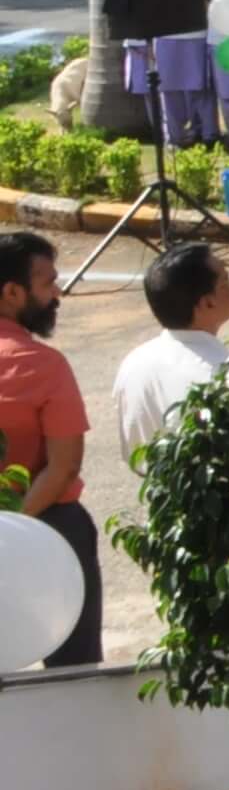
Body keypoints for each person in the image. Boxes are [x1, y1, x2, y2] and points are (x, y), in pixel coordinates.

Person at [0, 233, 94, 668]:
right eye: (48, 283)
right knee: (73, 670)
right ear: (13, 293)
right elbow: (62, 467)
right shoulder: (42, 365)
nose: (57, 293)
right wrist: (11, 534)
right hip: (48, 529)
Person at [115, 240, 229, 461]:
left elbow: (132, 452)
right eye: (226, 280)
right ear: (207, 303)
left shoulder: (133, 363)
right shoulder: (224, 374)